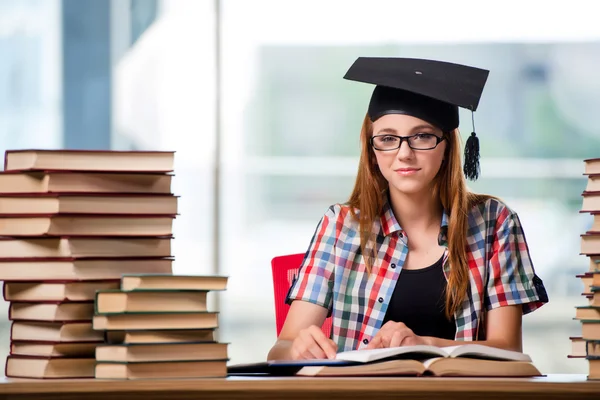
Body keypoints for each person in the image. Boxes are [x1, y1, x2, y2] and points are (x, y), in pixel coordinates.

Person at [267, 57, 549, 361]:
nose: (404, 153)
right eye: (388, 139)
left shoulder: (495, 223)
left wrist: (423, 344)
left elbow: (509, 350)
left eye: (422, 136)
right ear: (372, 149)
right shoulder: (340, 225)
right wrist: (298, 348)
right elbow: (280, 350)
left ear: (447, 146)